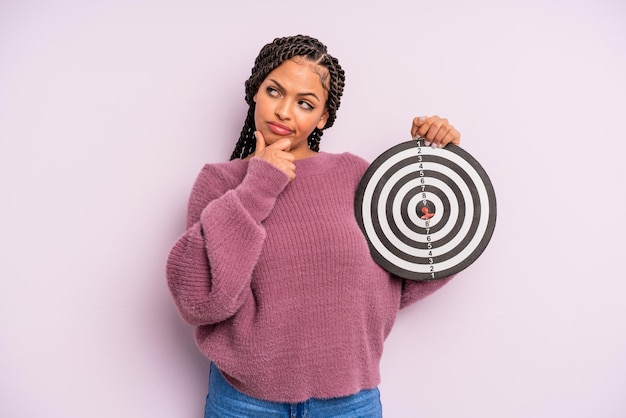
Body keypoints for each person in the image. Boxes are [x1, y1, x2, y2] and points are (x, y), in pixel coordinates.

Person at [166, 34, 461, 418]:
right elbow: (202, 303)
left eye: (305, 103)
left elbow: (414, 271)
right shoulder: (220, 183)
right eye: (274, 91)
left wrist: (442, 167)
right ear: (256, 92)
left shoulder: (354, 175)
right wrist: (257, 186)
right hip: (245, 402)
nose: (285, 112)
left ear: (322, 116)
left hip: (350, 402)